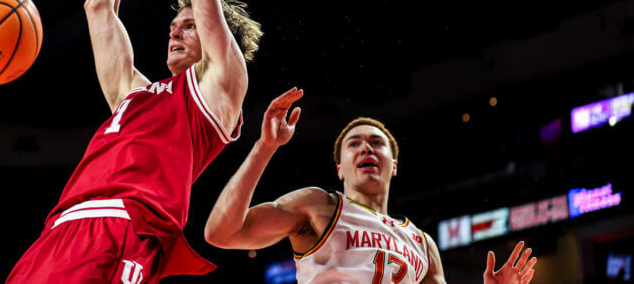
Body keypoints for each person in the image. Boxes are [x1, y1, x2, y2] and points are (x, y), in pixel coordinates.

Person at [5, 0, 263, 283]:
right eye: (172, 27)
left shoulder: (220, 85)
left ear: (220, 37)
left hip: (126, 228)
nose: (175, 31)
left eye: (190, 25)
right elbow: (98, 7)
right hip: (58, 231)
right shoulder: (134, 92)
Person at [205, 88, 538, 284]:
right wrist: (266, 146)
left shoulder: (423, 244)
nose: (366, 148)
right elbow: (221, 233)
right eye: (354, 144)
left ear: (394, 165)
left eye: (376, 143)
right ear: (340, 169)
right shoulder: (319, 206)